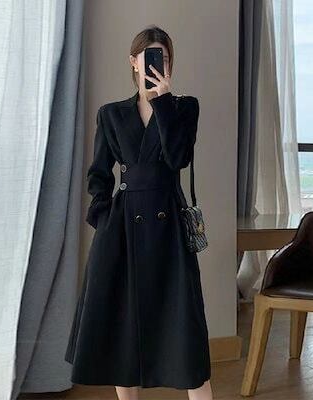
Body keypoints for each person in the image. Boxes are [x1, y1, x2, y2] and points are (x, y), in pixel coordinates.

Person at [65, 25, 213, 400]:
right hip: (121, 229)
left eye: (164, 57)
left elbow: (178, 159)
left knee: (185, 330)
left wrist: (163, 102)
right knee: (123, 330)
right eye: (150, 56)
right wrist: (102, 217)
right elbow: (99, 174)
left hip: (168, 226)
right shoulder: (111, 114)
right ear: (133, 61)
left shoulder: (184, 107)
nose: (158, 63)